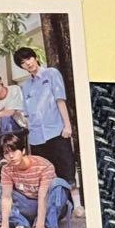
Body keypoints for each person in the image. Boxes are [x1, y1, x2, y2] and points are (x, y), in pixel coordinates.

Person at [0, 133, 71, 228]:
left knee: (58, 184)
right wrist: (4, 225)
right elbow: (6, 197)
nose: (11, 156)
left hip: (49, 206)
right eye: (6, 153)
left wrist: (40, 224)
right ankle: (22, 227)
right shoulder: (7, 169)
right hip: (28, 205)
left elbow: (43, 196)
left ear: (23, 151)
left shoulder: (43, 165)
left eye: (14, 151)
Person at [14, 47, 76, 185]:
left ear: (35, 57)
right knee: (46, 180)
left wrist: (67, 126)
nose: (28, 63)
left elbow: (60, 100)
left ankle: (73, 199)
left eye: (29, 58)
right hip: (37, 140)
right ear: (22, 67)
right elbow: (27, 115)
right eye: (23, 62)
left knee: (67, 176)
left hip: (57, 133)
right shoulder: (26, 87)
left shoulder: (51, 73)